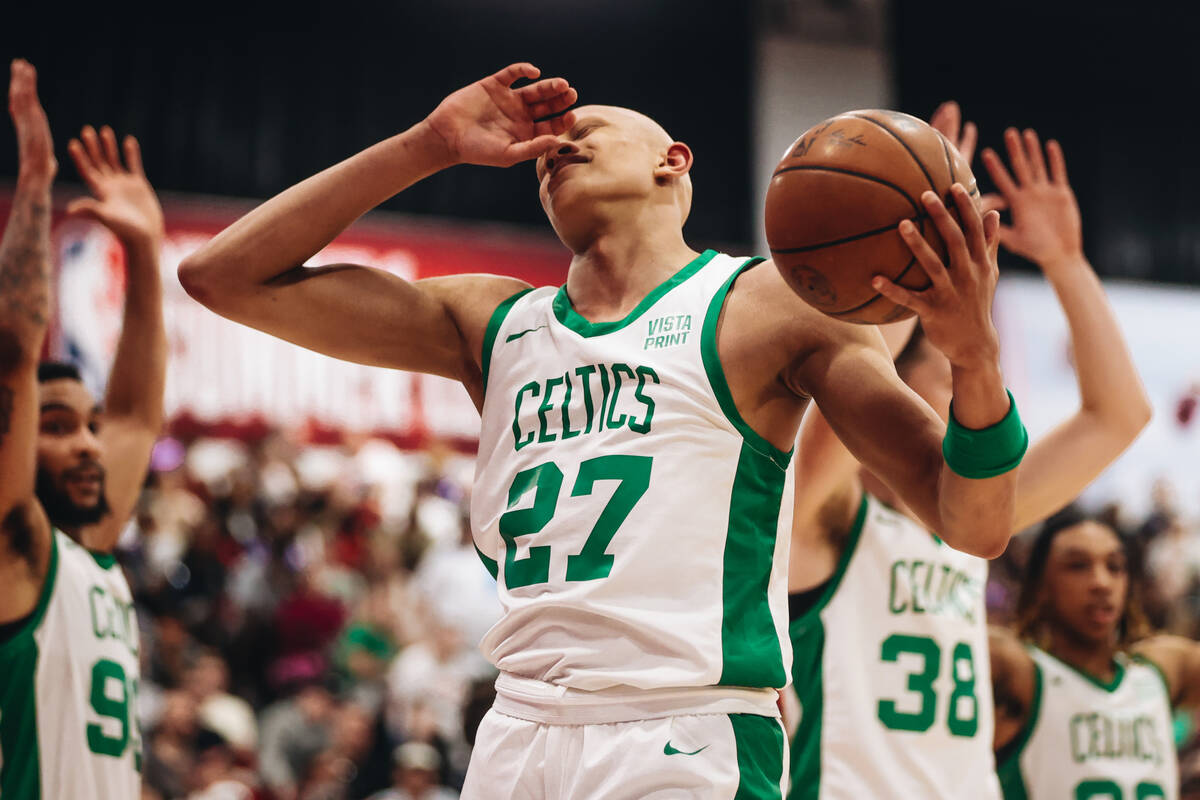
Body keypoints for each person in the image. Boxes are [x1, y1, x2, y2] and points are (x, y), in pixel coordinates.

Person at [178, 63, 1027, 797]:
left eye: (587, 129)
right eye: (544, 149)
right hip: (517, 723)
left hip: (684, 728)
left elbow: (976, 524)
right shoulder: (491, 321)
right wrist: (429, 143)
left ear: (673, 161)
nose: (559, 147)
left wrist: (975, 364)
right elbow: (222, 277)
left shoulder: (764, 306)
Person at [785, 114, 1151, 799]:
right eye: (951, 375)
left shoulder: (969, 522)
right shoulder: (824, 512)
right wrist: (897, 260)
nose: (976, 391)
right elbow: (844, 380)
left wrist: (1066, 263)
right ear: (895, 378)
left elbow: (1117, 416)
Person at [0, 59, 167, 797]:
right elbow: (13, 347)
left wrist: (144, 253)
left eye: (87, 425)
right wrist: (34, 184)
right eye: (59, 426)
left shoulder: (86, 550)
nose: (90, 444)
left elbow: (133, 414)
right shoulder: (19, 553)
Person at [990, 507, 1196, 800]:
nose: (1102, 582)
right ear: (1039, 586)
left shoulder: (1161, 671)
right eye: (1077, 566)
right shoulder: (1022, 674)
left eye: (1115, 566)